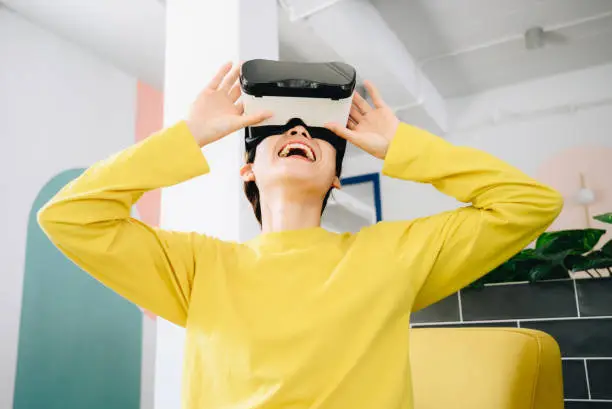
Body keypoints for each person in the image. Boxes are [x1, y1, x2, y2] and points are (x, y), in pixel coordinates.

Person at [38, 62, 563, 409]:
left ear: (337, 176)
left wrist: (402, 144)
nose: (298, 131)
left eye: (314, 133)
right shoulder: (196, 267)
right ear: (247, 170)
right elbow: (68, 217)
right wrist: (189, 135)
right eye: (279, 130)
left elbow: (531, 203)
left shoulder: (393, 254)